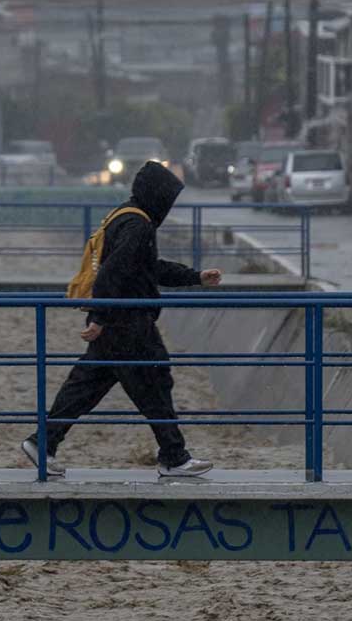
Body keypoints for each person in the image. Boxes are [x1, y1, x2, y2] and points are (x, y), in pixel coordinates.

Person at [23, 161, 223, 478]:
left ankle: (42, 443)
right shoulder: (139, 226)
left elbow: (147, 268)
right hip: (129, 325)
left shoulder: (124, 216)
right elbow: (113, 272)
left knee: (84, 388)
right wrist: (100, 317)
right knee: (154, 384)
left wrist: (195, 276)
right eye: (168, 198)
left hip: (117, 323)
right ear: (157, 195)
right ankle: (173, 457)